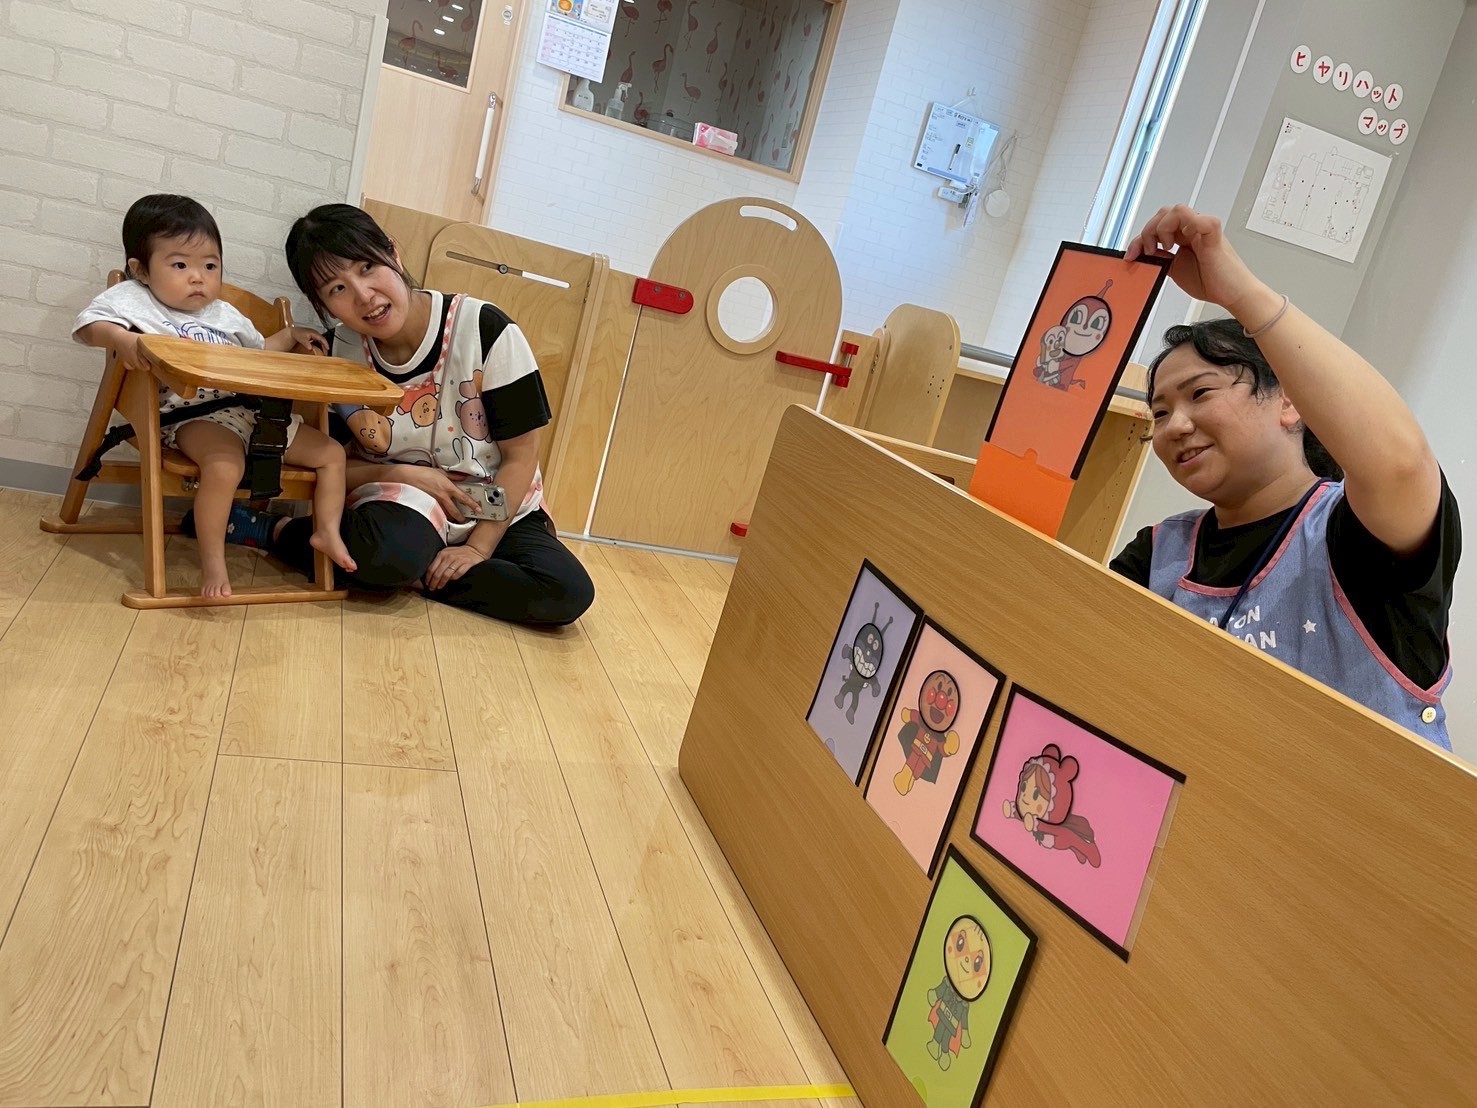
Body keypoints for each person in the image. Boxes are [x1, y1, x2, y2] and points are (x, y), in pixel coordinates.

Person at [1110, 205, 1459, 749]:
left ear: (1290, 403)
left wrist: (1240, 292)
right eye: (1159, 412)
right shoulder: (1157, 554)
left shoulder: (1353, 534)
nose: (1175, 425)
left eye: (1201, 393)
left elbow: (1401, 464)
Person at [225, 203, 593, 627]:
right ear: (322, 304)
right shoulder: (337, 353)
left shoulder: (486, 329)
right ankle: (276, 531)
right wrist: (408, 476)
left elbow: (521, 456)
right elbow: (331, 465)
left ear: (393, 252)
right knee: (387, 553)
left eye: (367, 267)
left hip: (494, 502)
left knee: (566, 591)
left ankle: (412, 575)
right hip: (401, 502)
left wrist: (478, 548)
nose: (364, 296)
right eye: (337, 289)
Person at [72, 194, 354, 598]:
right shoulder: (134, 299)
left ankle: (325, 531)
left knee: (332, 454)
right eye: (180, 265)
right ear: (142, 270)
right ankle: (214, 562)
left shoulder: (225, 314)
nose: (198, 278)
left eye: (210, 265)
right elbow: (87, 326)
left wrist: (290, 334)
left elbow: (259, 352)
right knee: (225, 467)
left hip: (250, 412)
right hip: (192, 416)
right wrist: (121, 338)